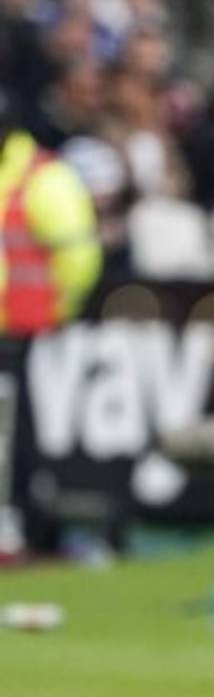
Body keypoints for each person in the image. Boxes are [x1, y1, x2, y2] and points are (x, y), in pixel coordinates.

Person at [0, 84, 101, 554]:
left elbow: (76, 256)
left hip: (20, 329)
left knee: (18, 433)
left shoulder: (43, 177)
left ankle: (19, 519)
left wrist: (56, 310)